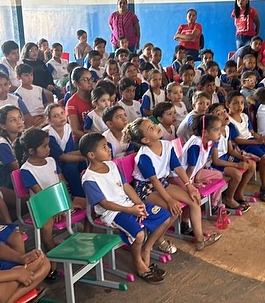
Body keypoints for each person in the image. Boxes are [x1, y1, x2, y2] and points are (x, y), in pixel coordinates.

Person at [80, 132, 172, 283]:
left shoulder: (112, 165)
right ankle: (138, 263)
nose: (109, 149)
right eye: (104, 147)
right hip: (113, 213)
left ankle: (146, 249)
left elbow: (126, 186)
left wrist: (139, 204)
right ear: (91, 155)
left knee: (164, 217)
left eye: (107, 146)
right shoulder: (89, 178)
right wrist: (131, 210)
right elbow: (104, 204)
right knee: (139, 234)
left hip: (129, 205)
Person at [123, 118, 221, 251]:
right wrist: (169, 200)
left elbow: (177, 167)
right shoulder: (143, 156)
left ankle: (200, 239)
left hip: (162, 183)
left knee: (194, 198)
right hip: (145, 189)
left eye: (153, 124)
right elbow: (153, 181)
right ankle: (159, 239)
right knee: (172, 210)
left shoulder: (167, 145)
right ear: (145, 140)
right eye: (150, 128)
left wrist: (189, 186)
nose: (156, 126)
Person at [16, 128, 85, 281]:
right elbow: (40, 194)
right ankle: (52, 258)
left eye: (48, 145)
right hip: (42, 206)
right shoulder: (26, 170)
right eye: (44, 146)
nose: (48, 149)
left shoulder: (52, 161)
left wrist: (68, 202)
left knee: (88, 203)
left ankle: (84, 241)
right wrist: (57, 208)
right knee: (46, 225)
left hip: (59, 200)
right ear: (32, 151)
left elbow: (62, 183)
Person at [43, 104, 86, 199]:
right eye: (56, 116)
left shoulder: (67, 127)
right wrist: (85, 157)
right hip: (53, 164)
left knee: (85, 163)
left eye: (62, 113)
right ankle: (79, 196)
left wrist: (85, 156)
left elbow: (69, 152)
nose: (61, 117)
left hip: (64, 159)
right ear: (49, 121)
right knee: (71, 168)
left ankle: (88, 192)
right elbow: (62, 157)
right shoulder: (48, 134)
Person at [0, 105, 25, 189]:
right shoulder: (1, 145)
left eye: (19, 118)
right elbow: (16, 168)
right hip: (4, 181)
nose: (19, 122)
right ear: (3, 126)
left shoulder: (21, 136)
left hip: (17, 175)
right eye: (13, 120)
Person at [65, 67, 94, 141]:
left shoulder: (95, 96)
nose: (90, 82)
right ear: (76, 83)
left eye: (91, 79)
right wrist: (94, 139)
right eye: (85, 80)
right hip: (82, 140)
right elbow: (76, 131)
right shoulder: (72, 103)